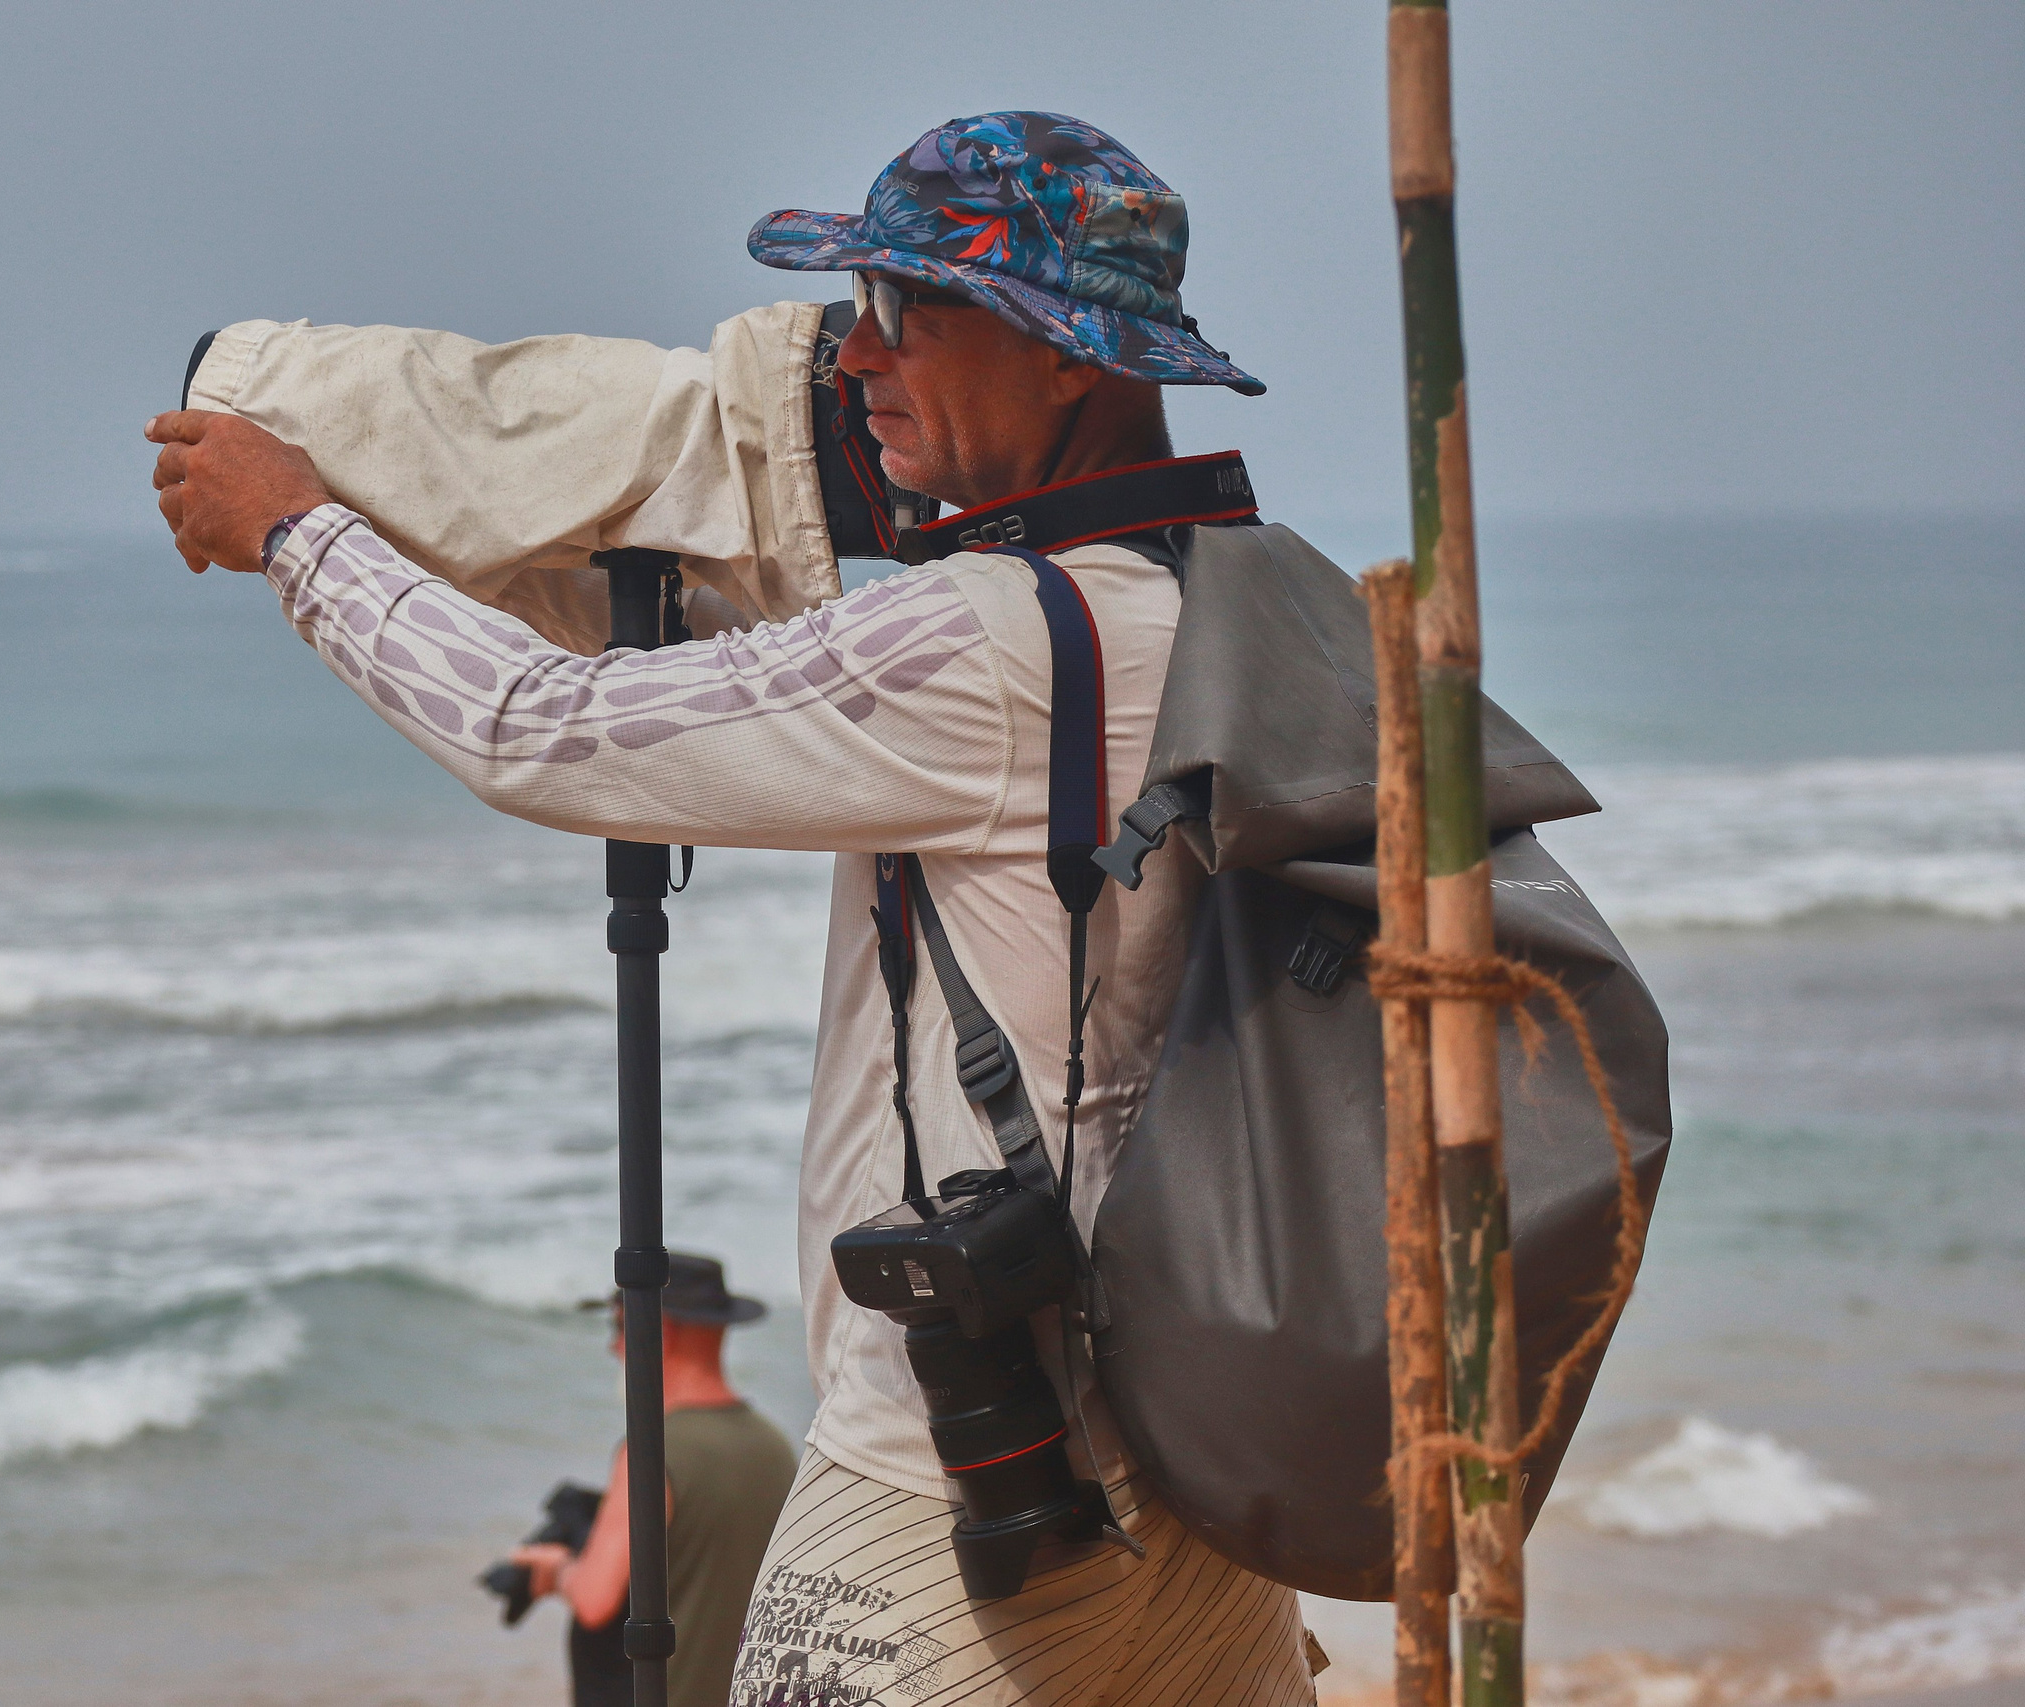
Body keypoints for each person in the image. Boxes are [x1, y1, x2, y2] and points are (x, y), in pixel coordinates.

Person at [147, 112, 1322, 1704]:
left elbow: (543, 731)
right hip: (1213, 1441)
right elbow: (735, 693)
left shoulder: (992, 639)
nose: (858, 357)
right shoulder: (1247, 593)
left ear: (1066, 357)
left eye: (910, 310)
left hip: (967, 1467)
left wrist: (302, 532)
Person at [510, 1253, 799, 1707]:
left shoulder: (652, 1451)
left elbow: (594, 1600)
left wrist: (556, 1569)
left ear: (657, 1331)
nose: (613, 1348)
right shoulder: (775, 1445)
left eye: (618, 1327)